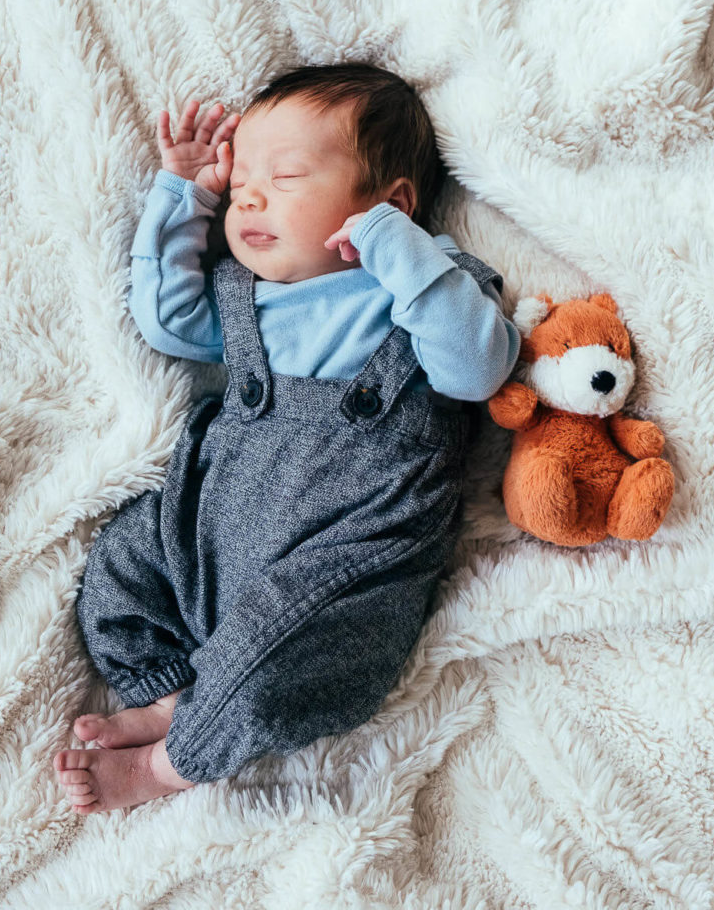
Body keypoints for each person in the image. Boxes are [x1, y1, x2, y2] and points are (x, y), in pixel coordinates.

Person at [53, 62, 520, 814]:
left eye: (288, 175)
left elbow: (476, 372)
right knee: (121, 565)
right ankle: (169, 691)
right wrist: (187, 195)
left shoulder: (430, 289)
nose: (253, 197)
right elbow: (166, 321)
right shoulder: (251, 300)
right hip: (207, 534)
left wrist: (401, 253)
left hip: (345, 556)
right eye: (241, 186)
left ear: (392, 206)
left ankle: (169, 765)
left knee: (273, 656)